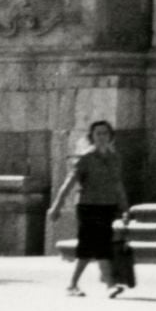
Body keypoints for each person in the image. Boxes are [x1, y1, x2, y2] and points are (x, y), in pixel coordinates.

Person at [50, 119, 132, 296]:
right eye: (98, 133)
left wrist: (125, 207)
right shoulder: (85, 158)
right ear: (92, 137)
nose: (102, 137)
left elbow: (118, 184)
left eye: (105, 133)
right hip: (88, 206)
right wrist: (56, 206)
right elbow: (69, 183)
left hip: (107, 205)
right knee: (96, 245)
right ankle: (108, 284)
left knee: (94, 247)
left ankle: (74, 285)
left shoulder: (115, 158)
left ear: (111, 136)